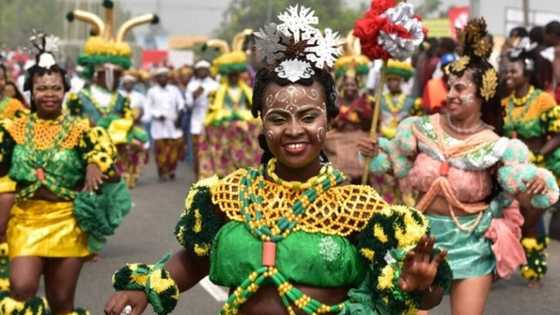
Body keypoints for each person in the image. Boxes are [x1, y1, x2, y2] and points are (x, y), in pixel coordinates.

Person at [105, 6, 452, 315]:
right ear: (261, 121)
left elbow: (423, 293)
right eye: (278, 119)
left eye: (308, 116)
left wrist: (420, 283)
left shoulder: (359, 207)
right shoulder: (231, 194)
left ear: (328, 120)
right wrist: (146, 285)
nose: (294, 130)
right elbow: (194, 260)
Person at [364, 18, 558, 314]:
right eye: (449, 86)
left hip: (471, 244)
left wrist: (537, 187)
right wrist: (376, 153)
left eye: (460, 88)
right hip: (421, 241)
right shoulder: (419, 129)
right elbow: (393, 167)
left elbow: (524, 196)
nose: (450, 94)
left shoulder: (498, 147)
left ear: (482, 95)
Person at [0, 33, 131, 315]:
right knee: (21, 288)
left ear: (65, 90)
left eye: (55, 88)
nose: (49, 94)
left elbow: (107, 160)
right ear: (30, 92)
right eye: (42, 88)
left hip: (66, 221)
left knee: (61, 303)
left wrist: (96, 165)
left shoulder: (81, 129)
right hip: (25, 219)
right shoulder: (12, 129)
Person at [65, 0, 157, 184]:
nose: (112, 78)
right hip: (88, 160)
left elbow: (129, 122)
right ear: (95, 74)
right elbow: (69, 125)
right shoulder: (79, 97)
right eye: (107, 74)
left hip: (117, 160)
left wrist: (132, 136)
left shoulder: (122, 99)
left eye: (116, 74)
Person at [502, 37, 560, 286]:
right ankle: (505, 260)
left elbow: (558, 134)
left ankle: (534, 268)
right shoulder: (506, 102)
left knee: (533, 217)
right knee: (516, 214)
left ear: (527, 72)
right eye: (507, 71)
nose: (508, 75)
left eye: (513, 71)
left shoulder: (544, 99)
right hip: (515, 169)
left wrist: (537, 157)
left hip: (541, 165)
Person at [196, 31, 261, 179]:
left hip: (243, 135)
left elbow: (252, 111)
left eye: (235, 75)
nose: (233, 77)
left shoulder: (248, 91)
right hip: (225, 135)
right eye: (230, 75)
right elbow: (213, 114)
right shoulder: (217, 93)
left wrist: (243, 119)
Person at [324, 34, 372, 185]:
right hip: (338, 136)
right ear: (342, 86)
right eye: (347, 85)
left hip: (359, 135)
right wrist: (340, 120)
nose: (350, 88)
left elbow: (370, 123)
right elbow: (329, 121)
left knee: (363, 149)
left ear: (357, 86)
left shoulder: (366, 101)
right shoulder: (335, 100)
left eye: (353, 85)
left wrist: (361, 114)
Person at [145, 67, 185, 181]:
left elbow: (181, 102)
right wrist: (157, 114)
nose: (163, 78)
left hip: (173, 123)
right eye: (160, 76)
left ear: (168, 78)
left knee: (174, 151)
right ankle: (162, 172)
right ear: (157, 79)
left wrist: (180, 112)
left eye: (165, 76)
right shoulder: (152, 91)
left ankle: (171, 169)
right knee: (160, 151)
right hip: (159, 125)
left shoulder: (174, 90)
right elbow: (148, 106)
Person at [186, 60, 219, 178]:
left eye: (204, 69)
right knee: (197, 152)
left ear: (208, 71)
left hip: (211, 123)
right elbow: (188, 106)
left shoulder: (215, 85)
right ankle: (198, 176)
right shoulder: (192, 85)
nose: (202, 72)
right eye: (200, 70)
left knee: (211, 151)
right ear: (196, 71)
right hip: (196, 123)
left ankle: (211, 176)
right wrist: (194, 96)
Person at [118, 71, 149, 188]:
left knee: (139, 150)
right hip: (122, 128)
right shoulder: (118, 96)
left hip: (137, 127)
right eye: (126, 83)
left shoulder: (140, 97)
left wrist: (139, 117)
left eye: (131, 83)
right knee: (124, 151)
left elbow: (147, 113)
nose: (128, 85)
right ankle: (125, 175)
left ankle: (135, 175)